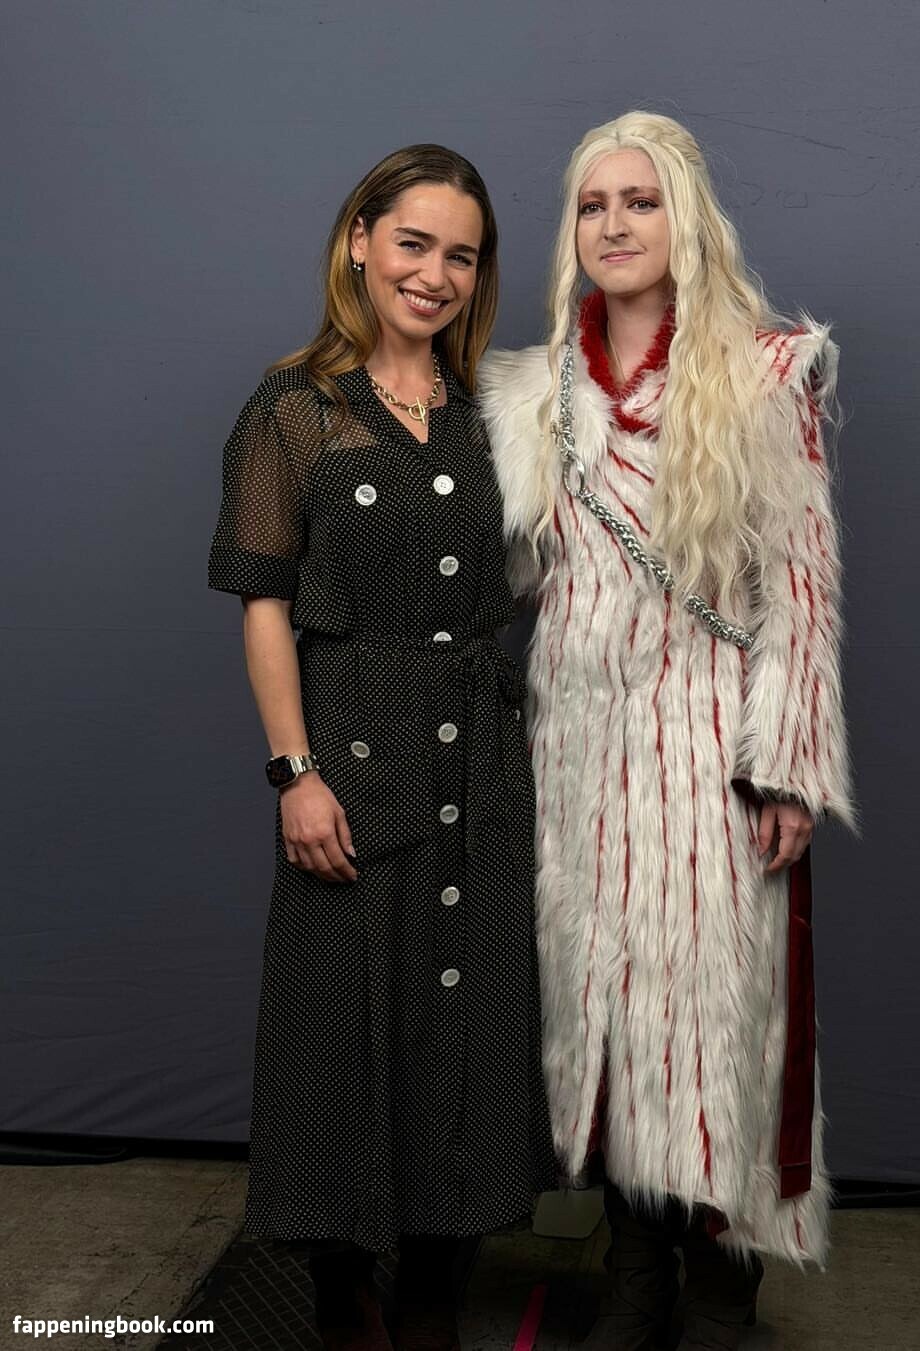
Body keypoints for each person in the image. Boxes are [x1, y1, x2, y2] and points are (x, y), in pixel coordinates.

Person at [478, 112, 857, 1349]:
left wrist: (786, 766)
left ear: (685, 216)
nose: (615, 225)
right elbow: (510, 581)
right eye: (594, 205)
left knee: (711, 1021)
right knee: (598, 1009)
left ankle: (720, 1289)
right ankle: (635, 1270)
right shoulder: (533, 394)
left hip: (711, 747)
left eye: (639, 201)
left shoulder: (764, 373)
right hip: (576, 753)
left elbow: (798, 588)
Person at [207, 144, 557, 1351]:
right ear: (360, 240)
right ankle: (345, 1307)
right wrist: (294, 774)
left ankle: (436, 1308)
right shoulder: (294, 410)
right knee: (339, 1033)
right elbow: (264, 605)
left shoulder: (497, 414)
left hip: (483, 770)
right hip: (352, 763)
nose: (435, 274)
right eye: (414, 243)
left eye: (462, 255)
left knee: (467, 1029)